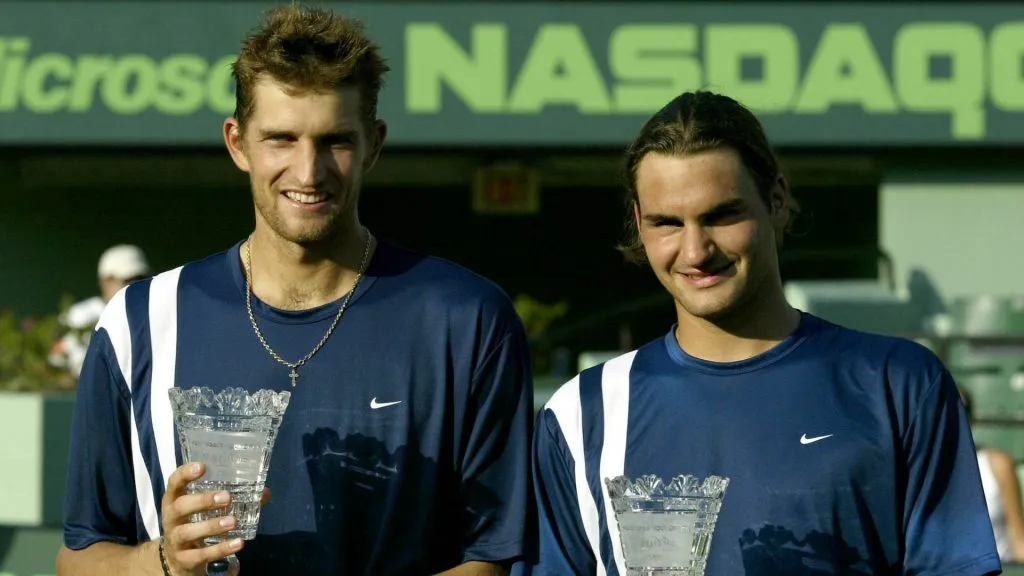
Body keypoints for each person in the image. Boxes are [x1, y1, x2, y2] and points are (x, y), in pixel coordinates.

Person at [56, 5, 534, 575]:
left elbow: (493, 559)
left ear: (374, 145)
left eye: (335, 141)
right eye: (280, 139)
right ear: (237, 143)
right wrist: (164, 561)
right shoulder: (141, 323)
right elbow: (81, 557)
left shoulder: (466, 318)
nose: (307, 172)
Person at [530, 90, 1001, 575]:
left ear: (776, 200)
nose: (695, 251)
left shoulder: (898, 384)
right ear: (638, 223)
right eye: (667, 222)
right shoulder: (581, 414)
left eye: (721, 215)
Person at [49, 244, 150, 378]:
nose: (135, 285)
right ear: (105, 280)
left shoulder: (154, 314)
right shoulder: (78, 315)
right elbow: (54, 357)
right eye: (127, 279)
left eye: (140, 278)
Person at [961, 386, 1024, 562]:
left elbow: (1018, 537)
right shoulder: (914, 469)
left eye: (961, 410)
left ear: (972, 417)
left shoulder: (997, 464)